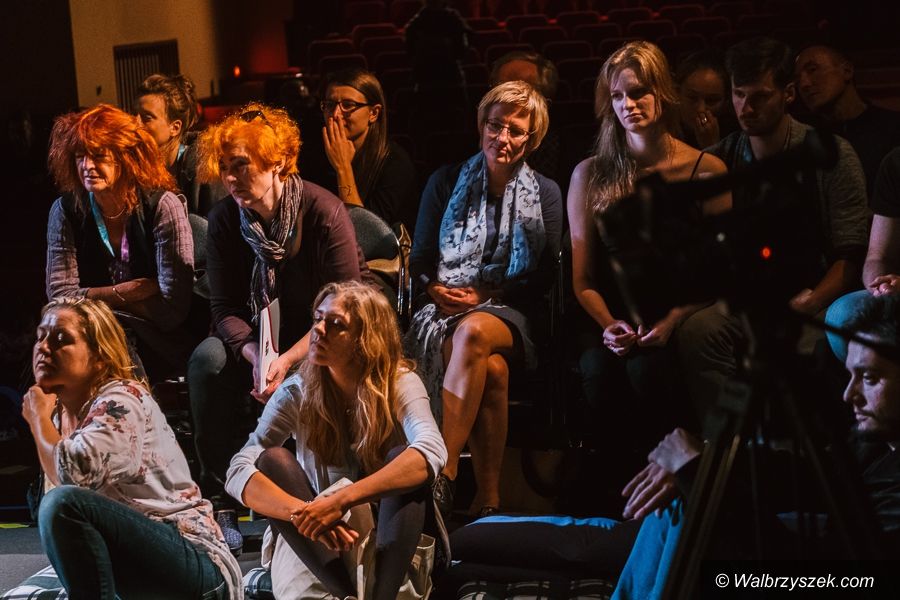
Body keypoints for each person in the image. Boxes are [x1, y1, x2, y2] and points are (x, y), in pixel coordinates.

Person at [449, 293, 900, 599]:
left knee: (617, 537)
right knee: (475, 548)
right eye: (851, 375)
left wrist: (696, 477)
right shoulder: (875, 443)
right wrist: (704, 457)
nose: (850, 395)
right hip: (741, 535)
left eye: (871, 378)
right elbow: (798, 473)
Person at [189, 103, 369, 551]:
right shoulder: (225, 219)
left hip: (324, 333)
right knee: (206, 362)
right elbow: (224, 307)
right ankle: (222, 497)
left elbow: (345, 303)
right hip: (256, 339)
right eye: (224, 167)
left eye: (241, 165)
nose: (230, 178)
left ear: (278, 162)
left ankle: (311, 492)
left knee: (323, 362)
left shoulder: (323, 211)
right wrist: (256, 355)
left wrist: (286, 359)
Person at [225, 281, 447, 600]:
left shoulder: (399, 382)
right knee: (272, 460)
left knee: (405, 456)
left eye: (335, 324)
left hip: (388, 537)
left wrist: (342, 500)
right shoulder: (297, 390)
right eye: (318, 318)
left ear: (365, 339)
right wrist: (303, 513)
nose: (318, 330)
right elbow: (238, 468)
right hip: (321, 541)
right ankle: (344, 594)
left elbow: (431, 450)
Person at [566, 41, 733, 456]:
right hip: (612, 315)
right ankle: (614, 487)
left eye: (638, 92)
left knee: (650, 373)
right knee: (598, 374)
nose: (628, 105)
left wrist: (673, 319)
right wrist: (609, 325)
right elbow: (583, 279)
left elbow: (717, 272)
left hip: (677, 312)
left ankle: (673, 480)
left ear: (662, 92)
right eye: (617, 96)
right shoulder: (590, 173)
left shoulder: (705, 169)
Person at [406, 80, 563, 519]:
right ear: (482, 126)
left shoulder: (546, 192)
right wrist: (434, 288)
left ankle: (442, 470)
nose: (503, 138)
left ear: (532, 139)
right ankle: (488, 499)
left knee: (474, 332)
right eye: (495, 126)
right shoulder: (445, 181)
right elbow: (420, 259)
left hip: (512, 311)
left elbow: (544, 275)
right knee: (491, 370)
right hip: (444, 309)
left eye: (516, 130)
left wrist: (487, 294)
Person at [22, 297, 242, 599]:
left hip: (197, 567)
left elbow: (72, 478)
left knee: (62, 504)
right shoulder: (59, 417)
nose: (44, 348)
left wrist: (37, 419)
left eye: (61, 339)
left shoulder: (122, 400)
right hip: (138, 573)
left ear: (99, 356)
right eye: (40, 337)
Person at [708, 37, 870, 321]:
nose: (746, 108)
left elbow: (851, 252)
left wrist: (811, 302)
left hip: (812, 293)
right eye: (738, 94)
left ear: (789, 94)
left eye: (760, 97)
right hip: (745, 297)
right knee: (700, 329)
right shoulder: (720, 157)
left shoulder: (833, 155)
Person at [46, 103, 194, 381]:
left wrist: (92, 297)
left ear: (126, 157)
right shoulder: (65, 210)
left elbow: (173, 310)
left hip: (158, 341)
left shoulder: (163, 206)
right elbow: (59, 298)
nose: (87, 166)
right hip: (91, 335)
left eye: (99, 156)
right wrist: (131, 291)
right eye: (79, 156)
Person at [319, 68, 418, 232]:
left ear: (373, 113)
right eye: (330, 105)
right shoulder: (317, 154)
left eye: (348, 105)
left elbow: (366, 235)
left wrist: (343, 168)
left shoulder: (395, 163)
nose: (335, 114)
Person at [795, 44, 900, 194]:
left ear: (847, 71)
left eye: (812, 70)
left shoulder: (893, 127)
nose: (804, 84)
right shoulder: (805, 140)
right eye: (797, 79)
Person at [827, 147, 900, 361]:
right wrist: (880, 288)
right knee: (841, 314)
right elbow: (878, 256)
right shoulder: (895, 163)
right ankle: (870, 380)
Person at [136, 73, 225, 216]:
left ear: (175, 127)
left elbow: (218, 224)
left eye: (147, 118)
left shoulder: (203, 169)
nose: (136, 124)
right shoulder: (138, 166)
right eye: (135, 115)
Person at [490, 51, 562, 184]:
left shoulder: (559, 148)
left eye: (519, 89)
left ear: (544, 100)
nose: (506, 96)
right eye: (500, 86)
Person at [673, 49, 737, 149]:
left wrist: (712, 146)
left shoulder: (735, 138)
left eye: (711, 101)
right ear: (677, 93)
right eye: (692, 98)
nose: (701, 109)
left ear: (726, 101)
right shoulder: (660, 129)